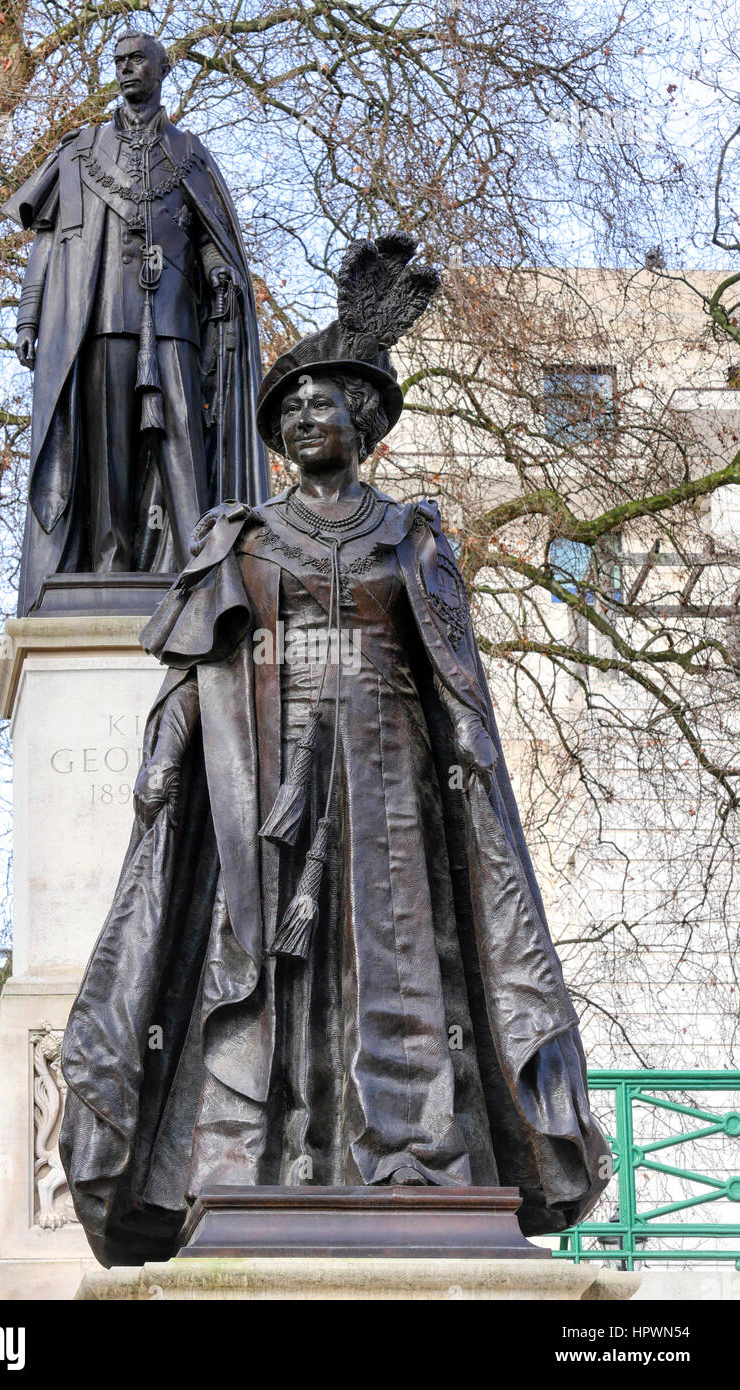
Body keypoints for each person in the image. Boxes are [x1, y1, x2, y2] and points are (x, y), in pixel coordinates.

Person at [60, 233, 609, 1266]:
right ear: (277, 432)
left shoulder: (410, 535)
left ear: (363, 424)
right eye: (294, 405)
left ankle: (412, 1160)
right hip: (264, 773)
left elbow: (451, 677)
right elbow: (195, 666)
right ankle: (257, 1159)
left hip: (393, 776)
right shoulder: (245, 537)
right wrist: (164, 757)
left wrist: (469, 769)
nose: (310, 415)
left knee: (397, 960)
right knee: (260, 965)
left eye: (328, 403)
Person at [3, 30, 267, 615]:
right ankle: (108, 566)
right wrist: (28, 318)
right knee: (107, 455)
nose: (125, 70)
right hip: (97, 322)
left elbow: (211, 240)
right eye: (118, 62)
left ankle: (203, 562)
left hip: (174, 325)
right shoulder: (80, 152)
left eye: (136, 61)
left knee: (182, 451)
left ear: (161, 69)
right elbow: (47, 243)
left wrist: (221, 274)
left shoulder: (190, 153)